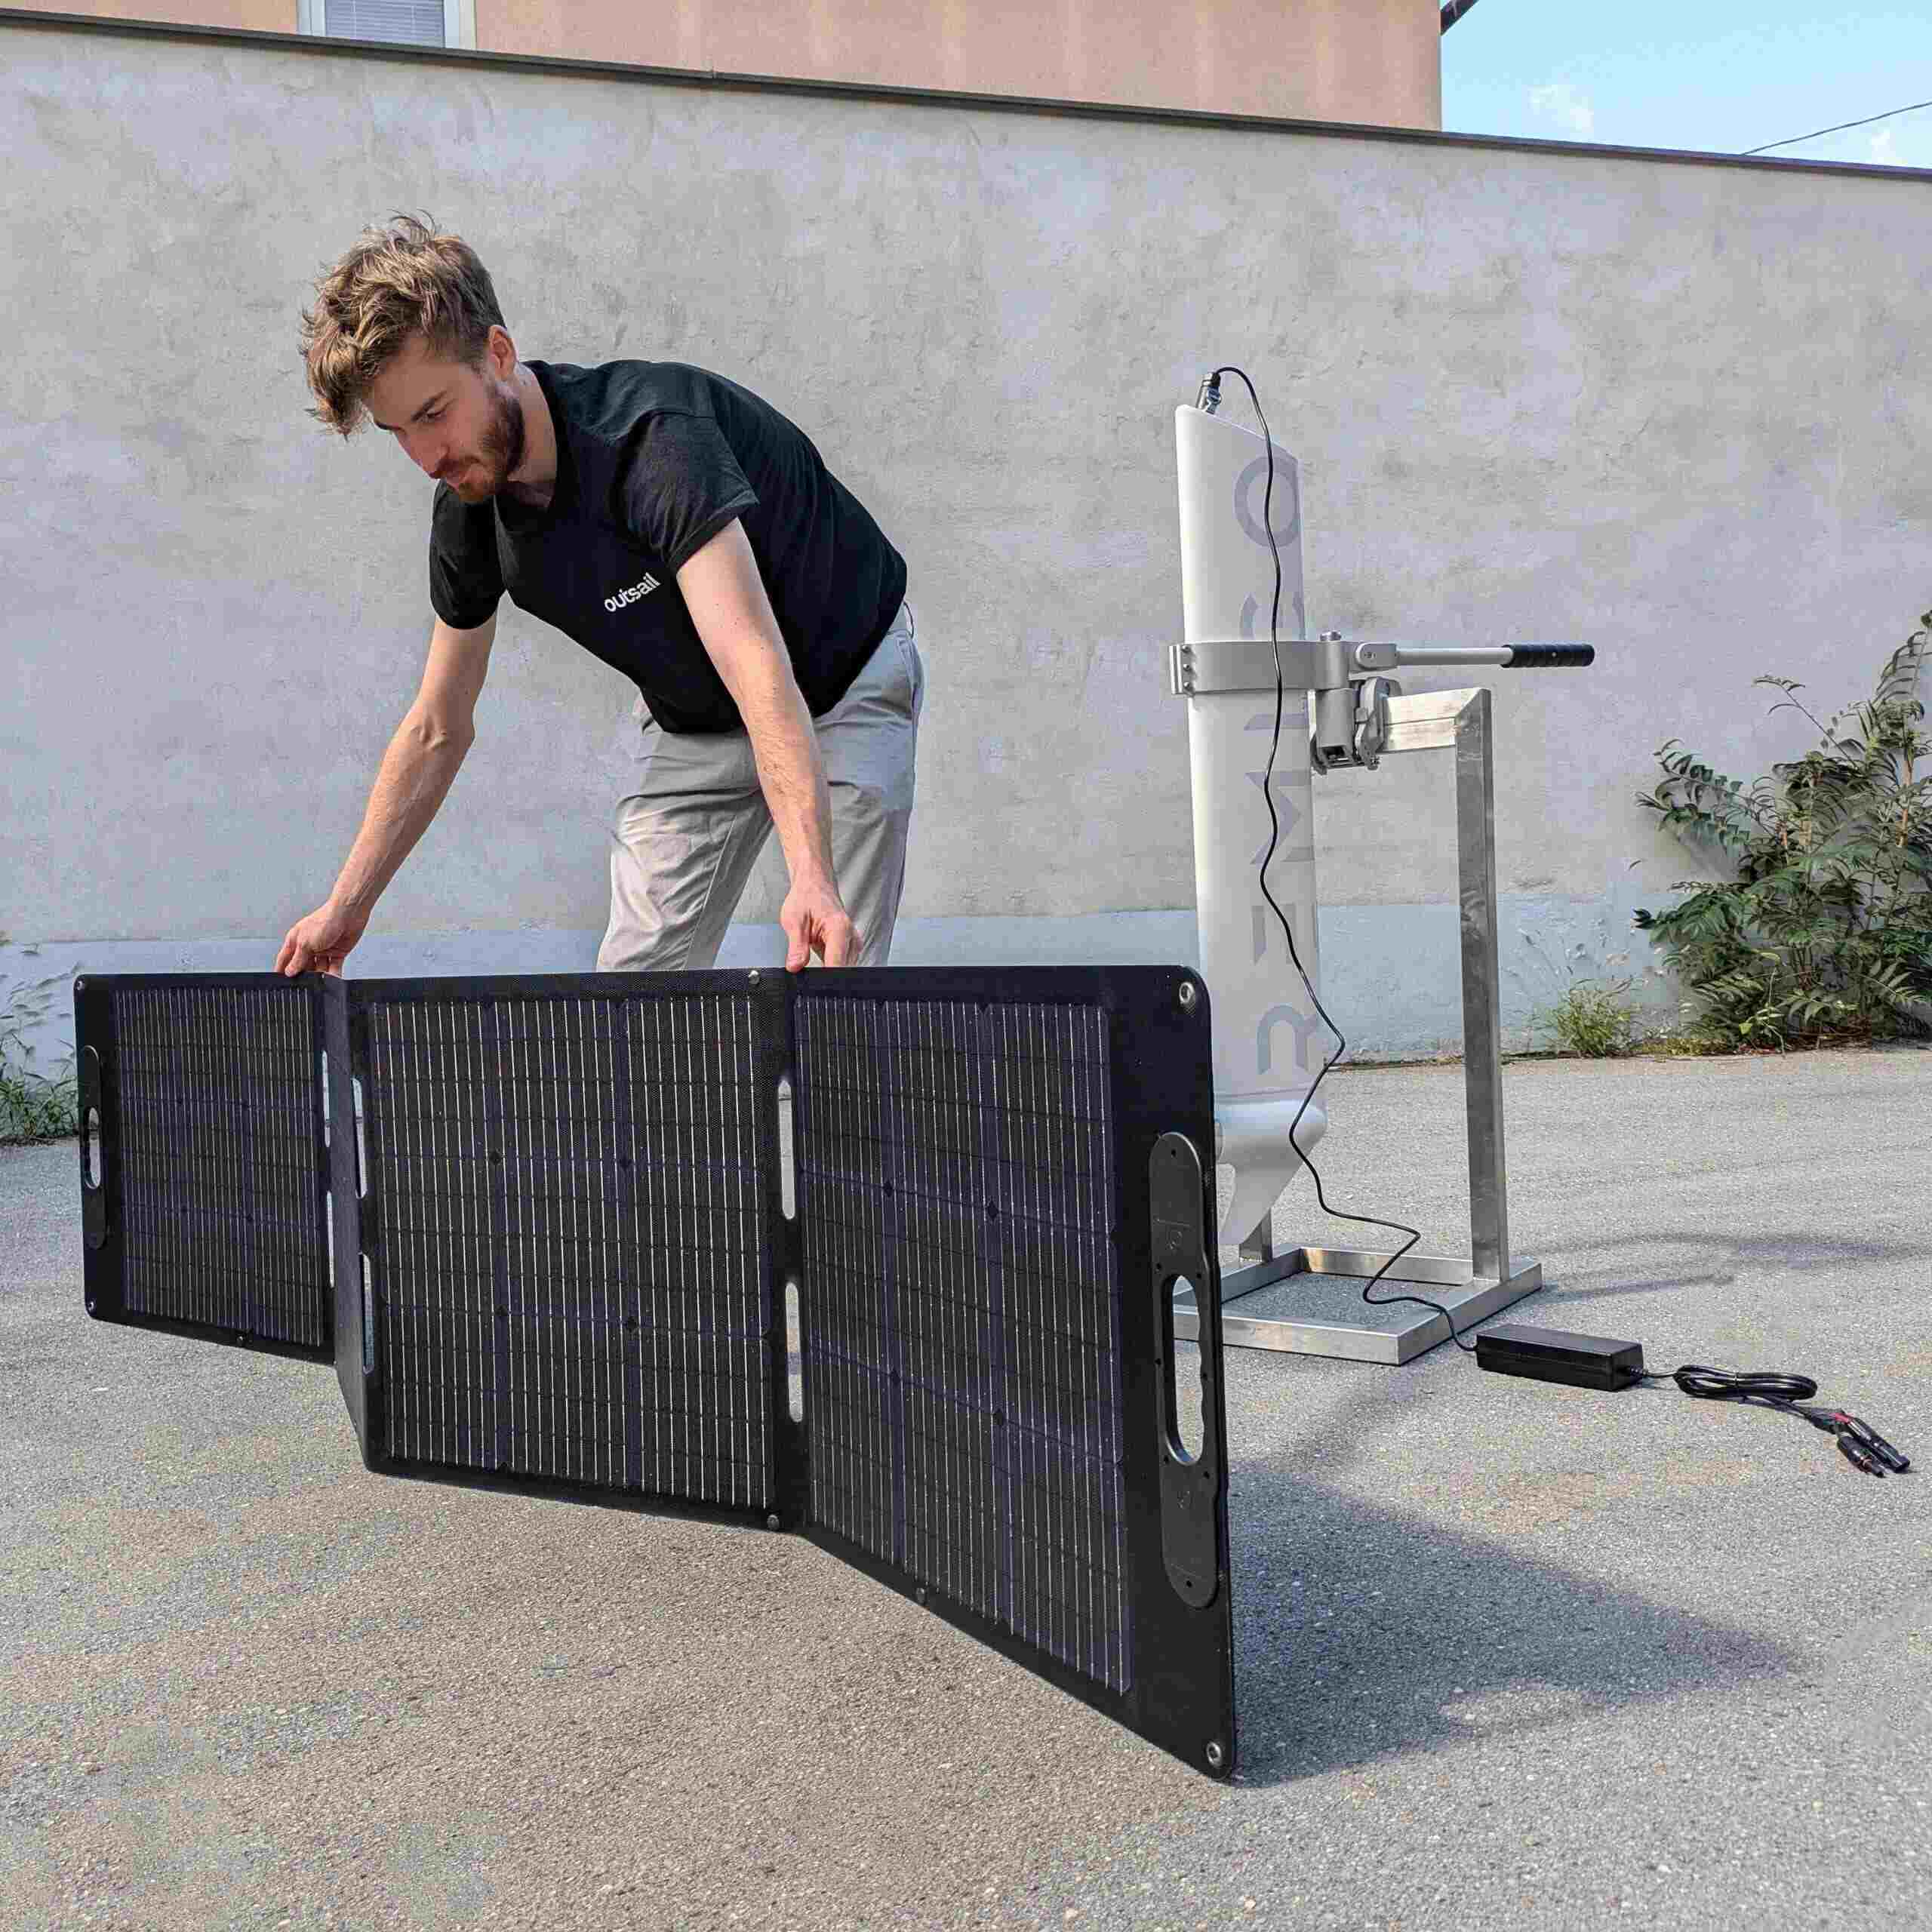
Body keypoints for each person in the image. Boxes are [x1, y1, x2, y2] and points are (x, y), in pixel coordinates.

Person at [276, 214, 922, 981]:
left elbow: (751, 655)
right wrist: (346, 908)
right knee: (631, 996)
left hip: (839, 680)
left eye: (434, 413)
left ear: (498, 353)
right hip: (695, 717)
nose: (426, 457)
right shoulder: (470, 512)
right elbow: (436, 727)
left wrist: (810, 872)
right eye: (397, 432)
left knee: (834, 970)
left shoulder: (652, 442)